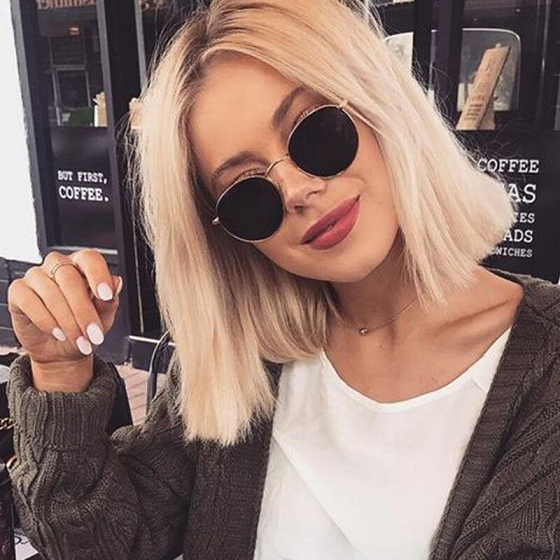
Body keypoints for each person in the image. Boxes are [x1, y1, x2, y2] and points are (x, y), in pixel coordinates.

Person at [5, 0, 560, 559]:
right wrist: (59, 370)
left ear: (382, 104)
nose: (296, 191)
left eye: (316, 133)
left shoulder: (546, 365)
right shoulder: (245, 361)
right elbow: (101, 543)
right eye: (246, 193)